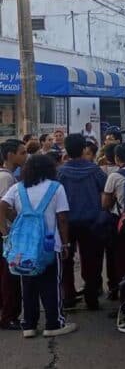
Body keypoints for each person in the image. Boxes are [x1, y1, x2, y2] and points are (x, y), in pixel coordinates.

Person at [0, 154, 77, 337]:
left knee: (28, 285)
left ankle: (29, 325)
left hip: (23, 248)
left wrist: (5, 230)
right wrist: (65, 243)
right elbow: (62, 218)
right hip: (50, 244)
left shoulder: (18, 188)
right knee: (51, 284)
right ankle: (54, 324)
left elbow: (2, 205)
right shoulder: (56, 188)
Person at [58, 134, 108, 310]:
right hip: (91, 221)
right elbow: (106, 189)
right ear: (83, 149)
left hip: (66, 222)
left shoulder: (61, 172)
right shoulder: (94, 170)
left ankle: (68, 296)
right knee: (91, 260)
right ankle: (91, 297)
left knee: (66, 259)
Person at [101, 143, 125, 304]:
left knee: (120, 258)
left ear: (116, 158)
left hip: (121, 222)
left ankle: (121, 293)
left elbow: (105, 204)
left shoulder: (114, 177)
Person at [0, 139, 26, 330]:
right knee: (10, 276)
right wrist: (6, 230)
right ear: (10, 155)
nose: (25, 156)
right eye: (22, 153)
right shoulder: (6, 178)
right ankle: (9, 316)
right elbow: (3, 207)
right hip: (6, 234)